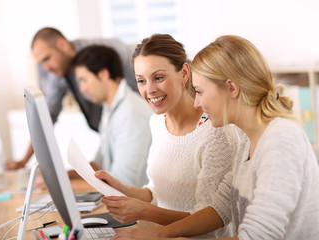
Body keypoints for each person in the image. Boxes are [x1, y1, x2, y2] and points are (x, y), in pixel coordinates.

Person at [111, 35, 319, 240]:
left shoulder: (281, 139)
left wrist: (157, 235)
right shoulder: (248, 142)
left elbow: (257, 236)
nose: (196, 103)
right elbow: (219, 209)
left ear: (231, 88)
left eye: (200, 91)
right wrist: (158, 234)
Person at [94, 34, 239, 238]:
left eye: (159, 78)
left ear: (184, 73)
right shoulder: (157, 123)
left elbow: (211, 222)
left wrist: (144, 211)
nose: (150, 90)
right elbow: (156, 192)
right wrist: (123, 189)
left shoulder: (216, 132)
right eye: (141, 81)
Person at [6, 27, 138, 170]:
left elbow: (147, 87)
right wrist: (24, 161)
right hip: (109, 135)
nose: (46, 69)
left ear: (62, 44)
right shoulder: (58, 73)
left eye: (47, 59)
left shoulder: (109, 52)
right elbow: (46, 117)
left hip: (135, 129)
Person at [72, 45, 152, 186]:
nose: (82, 89)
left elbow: (123, 181)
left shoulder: (130, 112)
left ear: (103, 74)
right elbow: (99, 164)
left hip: (134, 202)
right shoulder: (110, 107)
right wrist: (65, 177)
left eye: (84, 80)